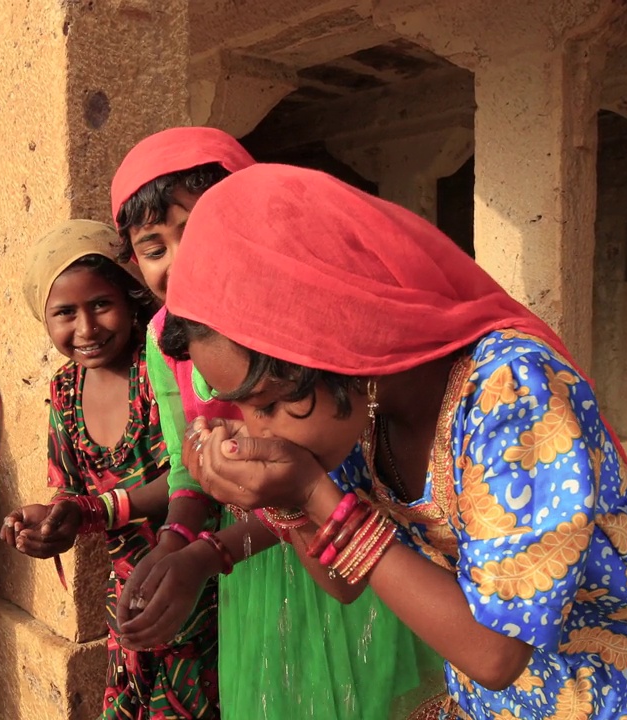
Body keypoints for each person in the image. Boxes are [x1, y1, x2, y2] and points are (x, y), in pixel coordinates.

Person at [160, 163, 627, 719]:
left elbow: (498, 654)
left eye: (267, 403)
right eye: (239, 405)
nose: (257, 427)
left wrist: (314, 494)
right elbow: (343, 584)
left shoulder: (511, 391)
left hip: (612, 696)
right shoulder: (357, 417)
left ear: (332, 344)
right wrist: (288, 501)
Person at [110, 128, 443, 718]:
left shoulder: (294, 312)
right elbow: (188, 465)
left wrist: (211, 552)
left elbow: (327, 461)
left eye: (198, 232)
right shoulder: (167, 343)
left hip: (338, 529)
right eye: (155, 248)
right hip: (260, 564)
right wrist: (173, 541)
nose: (183, 262)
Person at [0, 220, 218, 718]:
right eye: (65, 313)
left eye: (100, 304)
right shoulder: (63, 389)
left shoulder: (161, 363)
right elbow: (69, 490)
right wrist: (50, 523)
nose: (87, 329)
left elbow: (192, 473)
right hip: (129, 598)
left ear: (131, 296)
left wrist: (94, 510)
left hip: (198, 583)